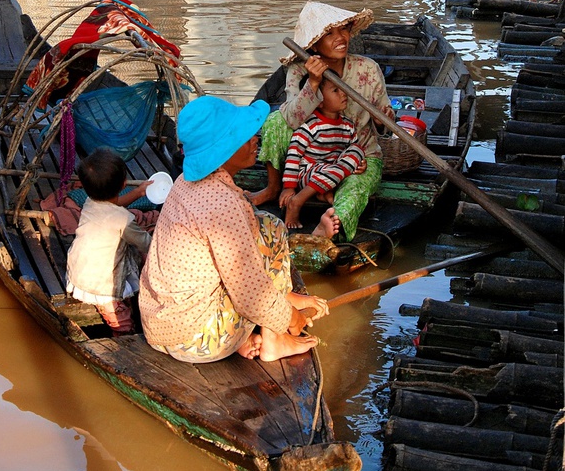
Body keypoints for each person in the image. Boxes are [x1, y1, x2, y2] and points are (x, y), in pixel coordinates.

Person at [139, 96, 331, 363]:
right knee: (259, 277)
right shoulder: (224, 204)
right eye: (245, 136)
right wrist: (291, 318)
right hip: (193, 339)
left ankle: (279, 300)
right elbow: (250, 294)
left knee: (269, 224)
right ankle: (274, 340)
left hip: (159, 324)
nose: (255, 139)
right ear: (223, 150)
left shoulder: (184, 181)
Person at [251, 1, 395, 241]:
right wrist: (314, 84)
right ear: (314, 44)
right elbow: (291, 120)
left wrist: (384, 121)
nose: (340, 38)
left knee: (354, 192)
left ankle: (327, 229)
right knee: (275, 121)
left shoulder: (368, 69)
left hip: (356, 157)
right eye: (328, 34)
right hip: (311, 157)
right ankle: (274, 187)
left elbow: (384, 125)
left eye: (343, 30)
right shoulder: (299, 70)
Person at [66, 147, 152, 335]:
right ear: (123, 184)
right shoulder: (124, 220)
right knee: (121, 322)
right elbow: (148, 244)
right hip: (101, 284)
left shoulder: (90, 201)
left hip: (81, 269)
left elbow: (113, 205)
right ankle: (121, 335)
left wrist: (139, 192)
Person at [280, 76, 366, 229]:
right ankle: (297, 201)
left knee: (357, 149)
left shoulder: (348, 126)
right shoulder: (310, 126)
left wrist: (360, 163)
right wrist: (289, 186)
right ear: (318, 101)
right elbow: (293, 156)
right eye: (335, 90)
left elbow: (351, 153)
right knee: (335, 170)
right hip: (308, 173)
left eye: (342, 88)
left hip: (333, 171)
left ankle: (322, 192)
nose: (343, 94)